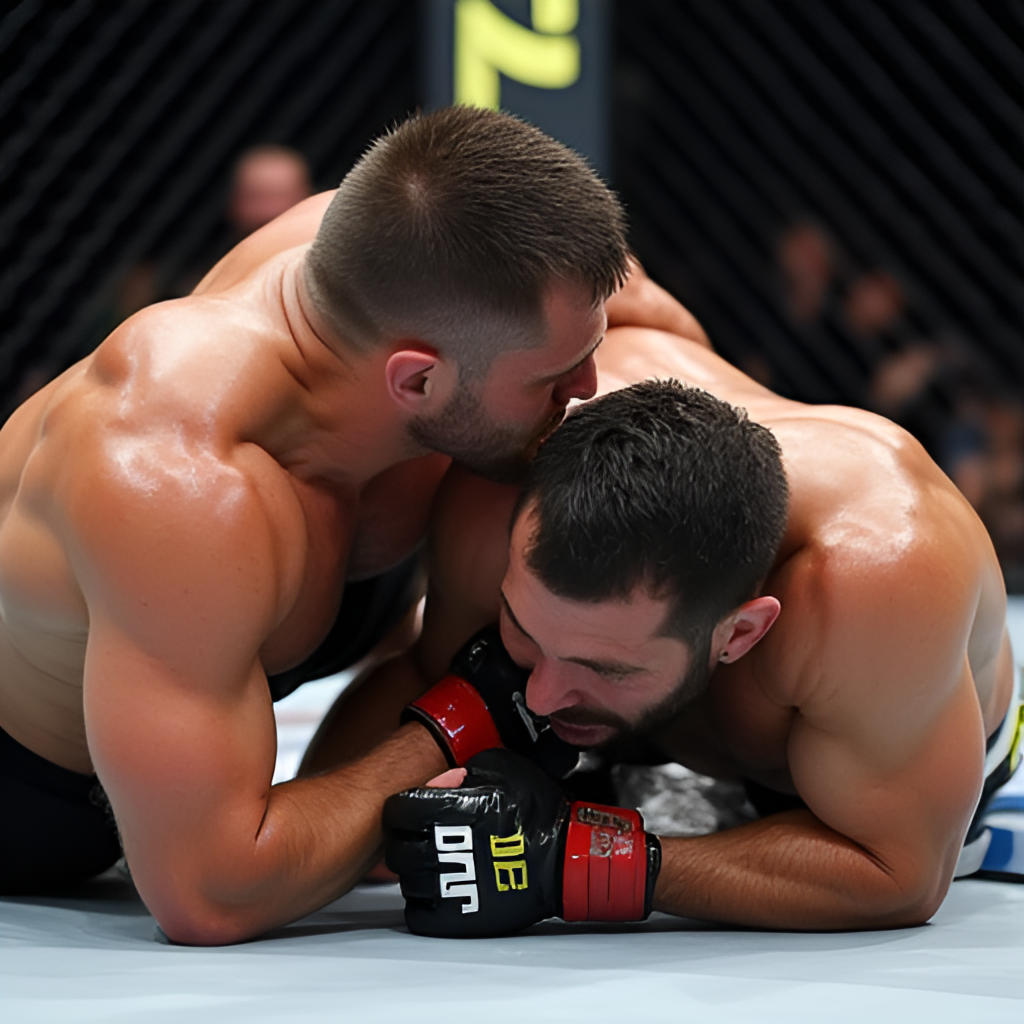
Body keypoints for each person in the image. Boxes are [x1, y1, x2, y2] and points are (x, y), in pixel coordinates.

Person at [0, 106, 661, 944]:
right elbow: (209, 894)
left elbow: (641, 308)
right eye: (555, 376)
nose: (590, 384)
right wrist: (464, 717)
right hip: (41, 800)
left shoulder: (392, 250)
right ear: (416, 381)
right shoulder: (179, 479)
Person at [321, 280, 1019, 933]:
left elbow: (898, 872)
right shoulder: (498, 506)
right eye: (523, 628)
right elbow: (616, 275)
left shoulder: (875, 582)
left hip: (844, 766)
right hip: (663, 703)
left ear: (741, 634)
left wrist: (576, 862)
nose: (540, 691)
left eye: (607, 666)